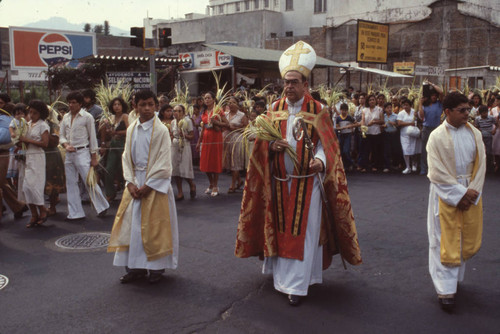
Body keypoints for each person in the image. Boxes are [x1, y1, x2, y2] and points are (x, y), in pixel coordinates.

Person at [235, 41, 362, 306]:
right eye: (286, 82)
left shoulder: (319, 111)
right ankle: (282, 277)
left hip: (308, 185)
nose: (289, 86)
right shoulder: (273, 110)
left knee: (305, 234)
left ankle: (296, 285)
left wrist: (319, 161)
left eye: (294, 82)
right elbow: (259, 145)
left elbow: (326, 146)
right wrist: (271, 145)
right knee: (280, 231)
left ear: (306, 84)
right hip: (279, 183)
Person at [108, 89, 179, 284]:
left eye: (150, 104)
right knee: (132, 229)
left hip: (154, 184)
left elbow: (165, 161)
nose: (147, 108)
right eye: (142, 105)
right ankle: (135, 268)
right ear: (135, 106)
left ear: (156, 105)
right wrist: (130, 182)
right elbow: (126, 157)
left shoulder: (162, 130)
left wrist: (148, 185)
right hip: (135, 183)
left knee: (154, 228)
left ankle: (156, 269)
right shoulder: (131, 129)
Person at [426, 91, 486, 311]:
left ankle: (455, 280)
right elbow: (436, 172)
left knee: (462, 237)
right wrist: (459, 194)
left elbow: (481, 166)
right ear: (448, 112)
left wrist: (472, 192)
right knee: (443, 239)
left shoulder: (475, 134)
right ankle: (445, 290)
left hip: (470, 191)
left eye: (468, 110)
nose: (466, 114)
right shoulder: (436, 136)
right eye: (462, 111)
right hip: (446, 193)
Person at [59, 91, 109, 220]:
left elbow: (93, 137)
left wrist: (94, 157)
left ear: (80, 104)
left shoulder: (87, 117)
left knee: (89, 181)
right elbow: (61, 136)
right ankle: (75, 212)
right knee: (71, 183)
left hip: (83, 152)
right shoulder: (65, 117)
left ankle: (102, 206)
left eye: (74, 102)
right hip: (69, 153)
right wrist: (65, 145)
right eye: (69, 102)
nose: (71, 105)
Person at [17, 100, 50, 228]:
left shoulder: (43, 125)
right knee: (26, 187)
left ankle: (42, 211)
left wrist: (27, 140)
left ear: (40, 113)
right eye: (30, 112)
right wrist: (19, 140)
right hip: (28, 156)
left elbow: (45, 144)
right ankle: (34, 214)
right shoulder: (28, 124)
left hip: (38, 157)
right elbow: (23, 141)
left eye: (35, 113)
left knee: (34, 186)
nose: (31, 115)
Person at [196, 92, 228, 197]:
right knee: (205, 162)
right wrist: (198, 141)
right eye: (205, 98)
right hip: (206, 138)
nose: (207, 100)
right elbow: (203, 127)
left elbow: (227, 124)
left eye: (209, 98)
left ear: (213, 99)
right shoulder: (204, 111)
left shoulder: (218, 110)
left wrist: (217, 123)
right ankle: (210, 183)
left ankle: (215, 185)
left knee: (215, 161)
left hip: (216, 137)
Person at [0, 96, 25, 222]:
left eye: (1, 103)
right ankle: (18, 206)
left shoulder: (5, 119)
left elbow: (4, 137)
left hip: (2, 153)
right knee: (2, 183)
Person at [102, 97, 129, 202]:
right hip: (113, 145)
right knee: (108, 169)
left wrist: (117, 133)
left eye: (119, 104)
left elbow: (129, 130)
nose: (116, 107)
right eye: (114, 105)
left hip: (123, 144)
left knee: (122, 169)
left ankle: (126, 192)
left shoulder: (125, 116)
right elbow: (108, 133)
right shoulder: (111, 118)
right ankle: (110, 193)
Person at [44, 107, 66, 217]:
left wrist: (43, 133)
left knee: (52, 180)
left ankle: (52, 206)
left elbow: (54, 142)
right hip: (39, 154)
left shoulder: (53, 125)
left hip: (51, 155)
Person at [223, 96, 248, 192]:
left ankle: (232, 185)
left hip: (237, 139)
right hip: (227, 139)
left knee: (235, 162)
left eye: (233, 102)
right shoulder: (225, 114)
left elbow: (246, 129)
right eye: (229, 102)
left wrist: (235, 128)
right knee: (229, 161)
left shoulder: (242, 115)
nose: (231, 104)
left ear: (237, 104)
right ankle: (238, 180)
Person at [171, 104, 196, 200]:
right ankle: (180, 192)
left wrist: (184, 135)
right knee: (176, 169)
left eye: (179, 111)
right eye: (174, 111)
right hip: (175, 145)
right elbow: (172, 134)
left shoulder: (187, 121)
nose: (176, 113)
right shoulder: (173, 122)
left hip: (185, 145)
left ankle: (191, 184)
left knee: (184, 168)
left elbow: (192, 136)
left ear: (183, 112)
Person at [418, 82, 443, 175]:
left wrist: (432, 85)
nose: (434, 97)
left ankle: (435, 169)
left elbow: (441, 92)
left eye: (435, 95)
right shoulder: (425, 105)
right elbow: (421, 116)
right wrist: (420, 104)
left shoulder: (439, 104)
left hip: (436, 129)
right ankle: (424, 168)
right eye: (432, 95)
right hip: (426, 128)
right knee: (424, 149)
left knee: (436, 149)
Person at [360, 94, 384, 172]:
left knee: (375, 150)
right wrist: (363, 129)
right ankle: (365, 166)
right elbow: (363, 121)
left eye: (373, 99)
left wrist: (374, 122)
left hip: (376, 132)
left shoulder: (379, 109)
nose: (372, 101)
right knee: (365, 150)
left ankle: (374, 165)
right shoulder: (364, 110)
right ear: (368, 101)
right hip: (367, 132)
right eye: (370, 100)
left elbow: (382, 121)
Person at [398, 98, 420, 174]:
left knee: (414, 149)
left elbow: (419, 120)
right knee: (406, 150)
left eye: (407, 105)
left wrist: (417, 117)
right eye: (404, 105)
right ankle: (408, 167)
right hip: (404, 134)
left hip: (413, 133)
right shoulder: (401, 113)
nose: (405, 106)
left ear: (410, 105)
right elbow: (399, 123)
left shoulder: (414, 112)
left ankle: (414, 164)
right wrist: (409, 123)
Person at [474, 105, 496, 172]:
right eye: (483, 113)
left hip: (489, 136)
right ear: (480, 113)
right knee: (481, 150)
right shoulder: (478, 119)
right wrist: (479, 131)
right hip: (481, 137)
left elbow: (497, 124)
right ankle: (481, 165)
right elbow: (476, 126)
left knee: (489, 151)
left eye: (486, 112)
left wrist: (494, 130)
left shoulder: (491, 118)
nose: (485, 114)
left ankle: (489, 166)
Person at [335, 103, 356, 171]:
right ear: (340, 110)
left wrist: (351, 126)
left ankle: (351, 163)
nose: (344, 112)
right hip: (341, 135)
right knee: (341, 151)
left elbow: (356, 123)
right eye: (342, 110)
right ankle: (344, 164)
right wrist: (342, 128)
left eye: (345, 110)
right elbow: (337, 128)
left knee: (346, 150)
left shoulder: (349, 117)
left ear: (347, 111)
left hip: (348, 135)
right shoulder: (338, 118)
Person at [382, 102, 400, 172]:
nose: (389, 109)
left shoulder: (395, 116)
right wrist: (383, 126)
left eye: (390, 107)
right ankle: (387, 166)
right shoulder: (383, 116)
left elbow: (398, 125)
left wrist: (394, 123)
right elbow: (381, 124)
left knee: (395, 149)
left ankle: (395, 165)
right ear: (385, 109)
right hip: (386, 134)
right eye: (388, 108)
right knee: (387, 150)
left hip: (394, 134)